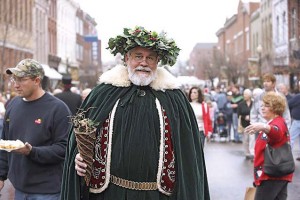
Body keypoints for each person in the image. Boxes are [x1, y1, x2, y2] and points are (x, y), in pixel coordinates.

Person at [60, 26, 210, 200]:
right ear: (126, 58)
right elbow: (79, 138)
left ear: (157, 61)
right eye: (138, 56)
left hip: (159, 195)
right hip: (110, 194)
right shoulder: (103, 93)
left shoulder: (174, 99)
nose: (144, 63)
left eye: (150, 58)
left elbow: (189, 153)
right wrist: (79, 156)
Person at [0, 59, 71, 200]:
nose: (16, 85)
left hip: (48, 191)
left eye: (21, 79)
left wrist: (31, 151)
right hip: (19, 188)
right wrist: (1, 175)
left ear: (37, 80)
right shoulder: (13, 105)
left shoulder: (58, 109)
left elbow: (64, 149)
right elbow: (4, 144)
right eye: (14, 79)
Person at [245, 92, 293, 200]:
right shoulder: (273, 122)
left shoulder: (277, 122)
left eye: (267, 105)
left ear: (275, 107)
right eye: (262, 105)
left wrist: (264, 127)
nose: (262, 108)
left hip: (272, 174)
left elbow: (276, 133)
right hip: (274, 174)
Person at [237, 89, 254, 159]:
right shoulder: (241, 104)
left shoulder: (254, 103)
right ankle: (247, 153)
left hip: (252, 124)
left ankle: (252, 152)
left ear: (250, 95)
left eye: (246, 94)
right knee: (246, 139)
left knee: (252, 139)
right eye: (244, 94)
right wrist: (244, 117)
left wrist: (251, 117)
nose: (244, 96)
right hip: (244, 124)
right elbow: (238, 114)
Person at [287, 93, 300, 161]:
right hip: (297, 120)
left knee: (290, 138)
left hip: (297, 121)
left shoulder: (298, 97)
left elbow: (288, 104)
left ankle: (288, 157)